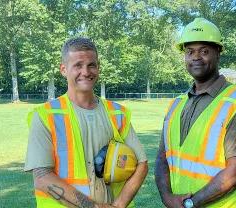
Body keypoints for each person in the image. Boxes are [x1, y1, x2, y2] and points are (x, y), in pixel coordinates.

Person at [24, 37, 148, 208]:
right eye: (78, 65)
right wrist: (93, 206)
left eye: (91, 65)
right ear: (63, 69)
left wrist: (118, 205)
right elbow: (42, 177)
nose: (86, 71)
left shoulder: (118, 113)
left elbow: (142, 164)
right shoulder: (45, 115)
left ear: (98, 68)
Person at [155, 18, 236, 208]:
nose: (196, 57)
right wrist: (167, 198)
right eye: (190, 51)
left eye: (204, 51)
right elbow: (162, 159)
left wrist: (189, 203)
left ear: (218, 54)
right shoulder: (176, 105)